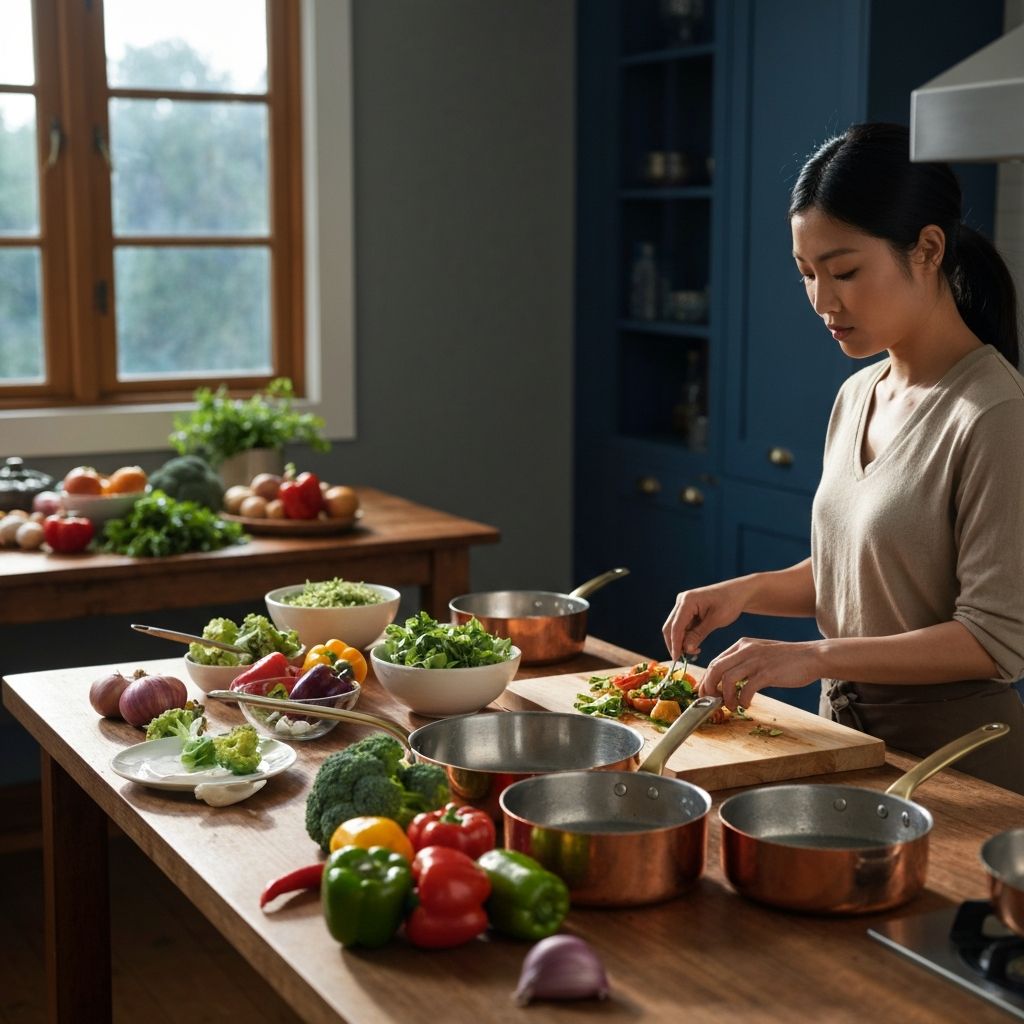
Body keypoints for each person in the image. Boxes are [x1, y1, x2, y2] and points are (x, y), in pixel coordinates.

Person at [662, 122, 1024, 794]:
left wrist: (810, 656)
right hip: (847, 744)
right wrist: (745, 593)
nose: (824, 302)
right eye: (807, 274)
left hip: (960, 769)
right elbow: (863, 573)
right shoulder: (859, 393)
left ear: (927, 249)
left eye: (846, 271)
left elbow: (994, 640)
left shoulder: (996, 413)